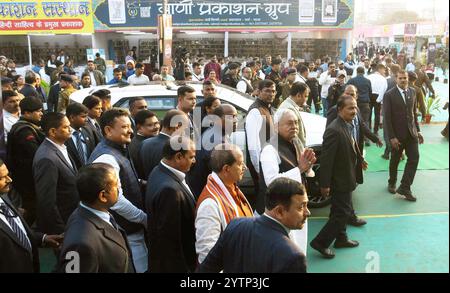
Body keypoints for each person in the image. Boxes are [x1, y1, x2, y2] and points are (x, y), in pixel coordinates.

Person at [197, 177, 309, 273]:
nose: (307, 212)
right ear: (279, 212)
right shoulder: (293, 257)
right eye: (301, 207)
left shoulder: (235, 225)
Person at [88, 108, 148, 273]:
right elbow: (116, 201)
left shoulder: (119, 148)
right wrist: (143, 218)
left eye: (130, 126)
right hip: (126, 231)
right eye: (125, 127)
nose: (130, 131)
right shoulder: (107, 158)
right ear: (108, 130)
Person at [310, 95, 364, 259]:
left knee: (338, 211)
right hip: (339, 180)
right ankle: (320, 242)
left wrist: (360, 159)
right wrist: (324, 184)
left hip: (346, 176)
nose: (354, 111)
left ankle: (341, 239)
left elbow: (350, 147)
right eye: (350, 108)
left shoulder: (346, 125)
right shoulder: (334, 130)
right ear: (340, 110)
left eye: (355, 107)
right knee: (342, 213)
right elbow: (326, 160)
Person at [56, 163, 135, 273]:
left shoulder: (91, 211)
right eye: (116, 186)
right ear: (103, 196)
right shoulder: (82, 244)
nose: (118, 189)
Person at [259, 109, 316, 253]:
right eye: (289, 123)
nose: (294, 127)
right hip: (280, 213)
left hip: (295, 207)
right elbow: (271, 181)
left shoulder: (295, 142)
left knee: (298, 247)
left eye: (296, 123)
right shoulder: (270, 149)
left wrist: (308, 168)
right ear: (277, 126)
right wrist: (300, 169)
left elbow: (304, 170)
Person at [0, 159, 63, 273]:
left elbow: (15, 233)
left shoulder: (4, 196)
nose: (9, 180)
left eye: (8, 175)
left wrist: (43, 239)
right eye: (1, 178)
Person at [145, 136, 197, 273]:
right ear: (178, 156)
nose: (194, 161)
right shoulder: (169, 191)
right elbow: (170, 241)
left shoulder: (158, 170)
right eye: (191, 157)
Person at [195, 144, 253, 263]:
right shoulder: (209, 205)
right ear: (226, 169)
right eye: (240, 164)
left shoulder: (231, 187)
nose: (245, 167)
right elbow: (207, 254)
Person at [33, 112, 79, 235]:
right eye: (65, 127)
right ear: (53, 132)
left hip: (73, 218)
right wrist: (60, 231)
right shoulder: (46, 158)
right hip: (64, 225)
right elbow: (47, 201)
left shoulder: (61, 147)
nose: (70, 129)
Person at [383, 70, 423, 202]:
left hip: (411, 134)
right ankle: (392, 182)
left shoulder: (412, 92)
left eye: (405, 78)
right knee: (395, 160)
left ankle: (405, 187)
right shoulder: (389, 95)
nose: (403, 80)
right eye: (400, 78)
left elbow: (413, 114)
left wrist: (418, 131)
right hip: (397, 136)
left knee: (414, 158)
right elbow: (387, 118)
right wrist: (392, 137)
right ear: (396, 79)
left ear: (408, 79)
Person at [6, 97, 45, 225]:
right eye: (38, 111)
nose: (41, 114)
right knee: (30, 210)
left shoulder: (29, 127)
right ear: (27, 113)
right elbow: (37, 154)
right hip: (26, 180)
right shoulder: (25, 131)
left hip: (28, 178)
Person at [188, 104, 238, 197]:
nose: (235, 120)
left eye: (236, 116)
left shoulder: (217, 133)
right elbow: (223, 175)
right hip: (209, 194)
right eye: (230, 117)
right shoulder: (217, 141)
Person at [245, 79, 276, 210]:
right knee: (263, 200)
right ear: (258, 92)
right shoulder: (255, 111)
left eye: (273, 91)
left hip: (268, 162)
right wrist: (258, 169)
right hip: (261, 165)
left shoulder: (268, 108)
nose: (271, 94)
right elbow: (253, 145)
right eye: (267, 91)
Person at [140, 110, 189, 179]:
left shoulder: (145, 143)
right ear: (177, 127)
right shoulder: (174, 148)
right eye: (185, 129)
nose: (185, 133)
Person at [129, 110, 160, 180]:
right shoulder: (139, 146)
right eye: (150, 125)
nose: (156, 127)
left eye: (157, 123)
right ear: (139, 128)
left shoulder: (144, 141)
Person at [277, 82, 309, 147]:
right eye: (305, 96)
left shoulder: (290, 106)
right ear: (298, 96)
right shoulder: (289, 110)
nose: (306, 99)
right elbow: (292, 135)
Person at [347, 66, 373, 146]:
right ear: (364, 72)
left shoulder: (352, 80)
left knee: (354, 121)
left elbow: (346, 90)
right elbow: (370, 92)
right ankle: (367, 139)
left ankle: (354, 139)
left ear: (357, 72)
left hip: (354, 103)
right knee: (365, 121)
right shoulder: (368, 81)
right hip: (365, 103)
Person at [65, 103, 95, 170]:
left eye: (87, 116)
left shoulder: (88, 131)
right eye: (83, 117)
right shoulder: (64, 135)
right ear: (72, 117)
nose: (86, 119)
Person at [367, 63, 388, 134]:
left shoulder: (368, 77)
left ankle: (369, 129)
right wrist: (379, 99)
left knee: (369, 114)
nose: (384, 72)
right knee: (377, 114)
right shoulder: (383, 79)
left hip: (369, 96)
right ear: (379, 69)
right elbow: (383, 90)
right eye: (384, 70)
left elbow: (367, 87)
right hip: (378, 96)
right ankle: (375, 131)